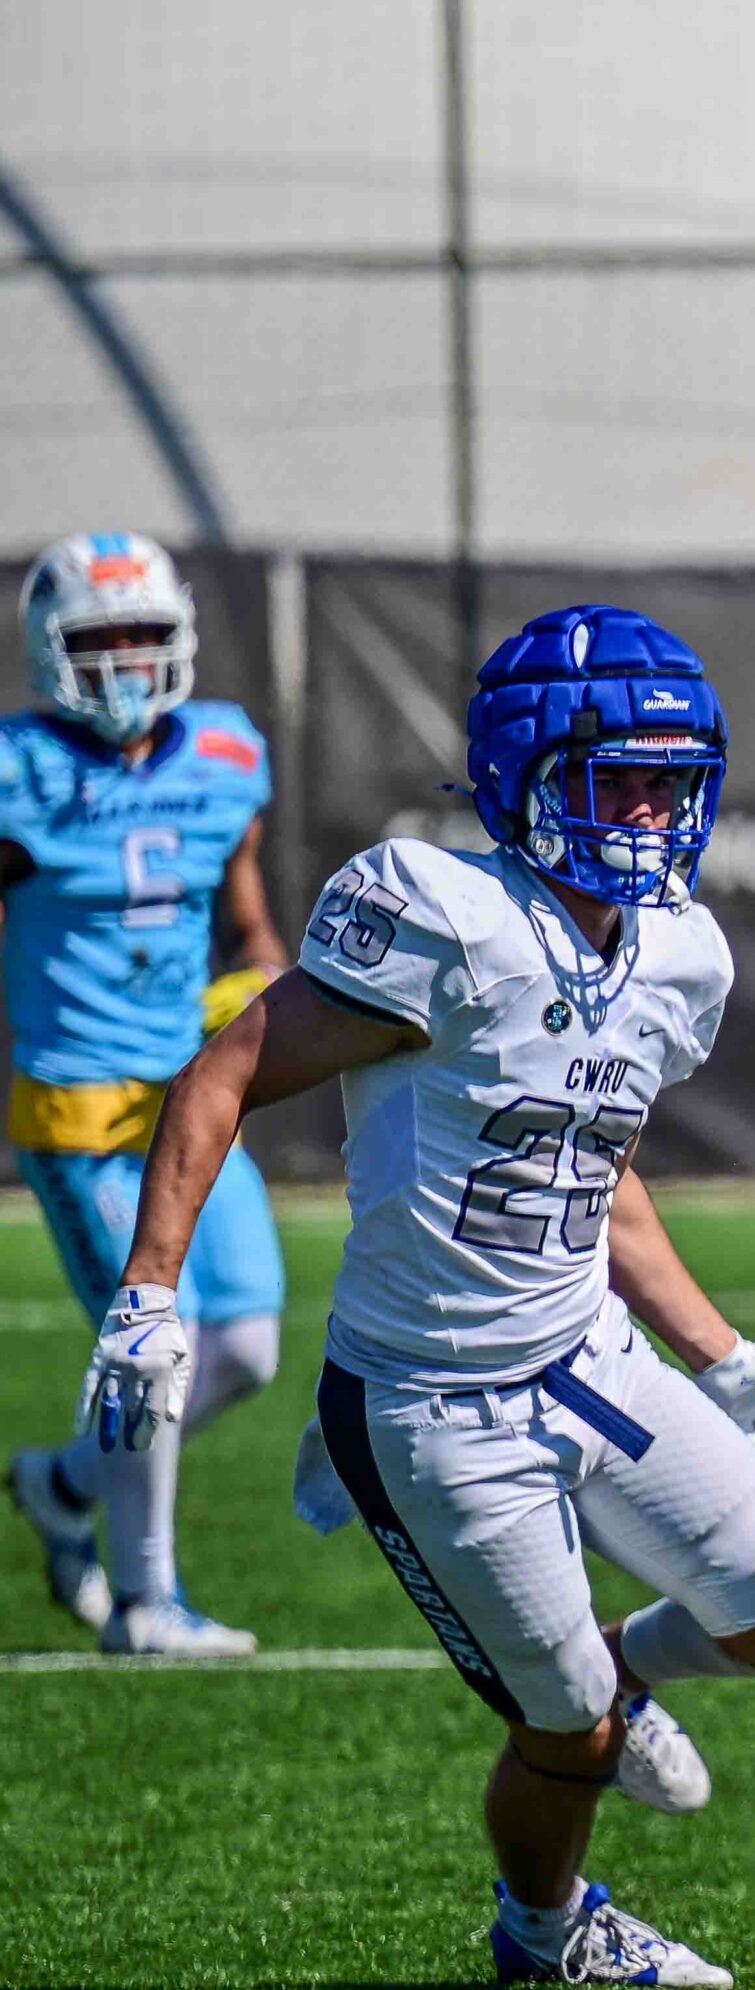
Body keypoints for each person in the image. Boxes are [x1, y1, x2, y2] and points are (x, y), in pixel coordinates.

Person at [82, 605, 755, 1990]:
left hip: (589, 1359)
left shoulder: (680, 953)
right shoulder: (441, 918)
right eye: (618, 779)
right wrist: (149, 1291)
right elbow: (221, 1074)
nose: (651, 812)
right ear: (523, 777)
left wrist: (716, 1349)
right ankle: (547, 1928)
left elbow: (598, 1175)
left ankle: (613, 1671)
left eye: (671, 783)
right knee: (569, 1736)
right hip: (430, 1405)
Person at [4, 533, 288, 1654]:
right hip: (81, 1115)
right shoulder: (20, 770)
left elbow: (250, 918)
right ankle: (143, 1600)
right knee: (157, 1346)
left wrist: (261, 982)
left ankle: (62, 1485)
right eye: (100, 637)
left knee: (247, 1347)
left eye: (142, 634)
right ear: (50, 648)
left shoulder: (225, 753)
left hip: (192, 1103)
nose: (124, 660)